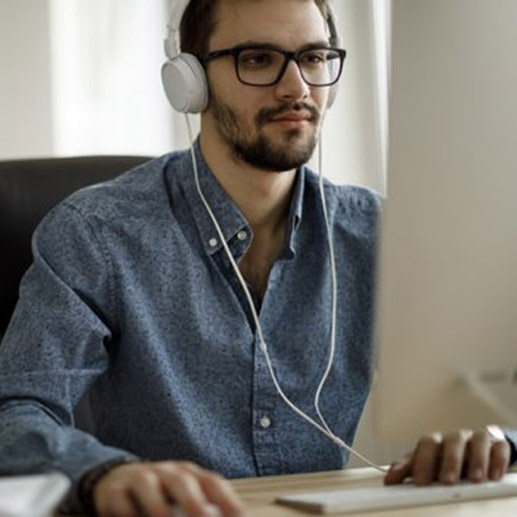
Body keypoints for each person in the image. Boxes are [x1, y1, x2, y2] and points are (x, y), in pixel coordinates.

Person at [0, 1, 515, 516]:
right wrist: (103, 473)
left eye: (313, 58)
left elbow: (495, 385)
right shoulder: (96, 233)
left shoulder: (378, 234)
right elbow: (16, 411)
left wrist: (494, 433)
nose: (296, 88)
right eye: (259, 59)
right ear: (190, 82)